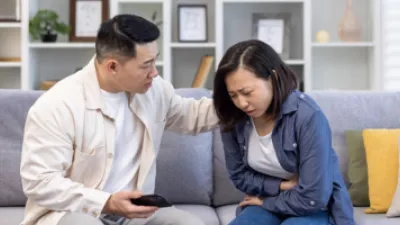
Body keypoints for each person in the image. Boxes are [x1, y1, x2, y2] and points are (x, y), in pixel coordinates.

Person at [19, 14, 218, 225]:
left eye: (155, 60)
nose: (154, 72)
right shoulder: (57, 105)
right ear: (112, 66)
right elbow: (40, 182)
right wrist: (107, 202)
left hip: (133, 213)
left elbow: (192, 116)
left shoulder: (154, 89)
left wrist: (242, 98)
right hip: (71, 213)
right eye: (146, 65)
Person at [212, 39, 355, 225]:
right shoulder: (233, 116)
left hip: (313, 208)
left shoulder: (308, 116)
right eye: (233, 95)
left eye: (246, 92)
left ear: (273, 78)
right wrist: (282, 186)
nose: (241, 103)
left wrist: (267, 202)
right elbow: (239, 175)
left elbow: (314, 196)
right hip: (264, 202)